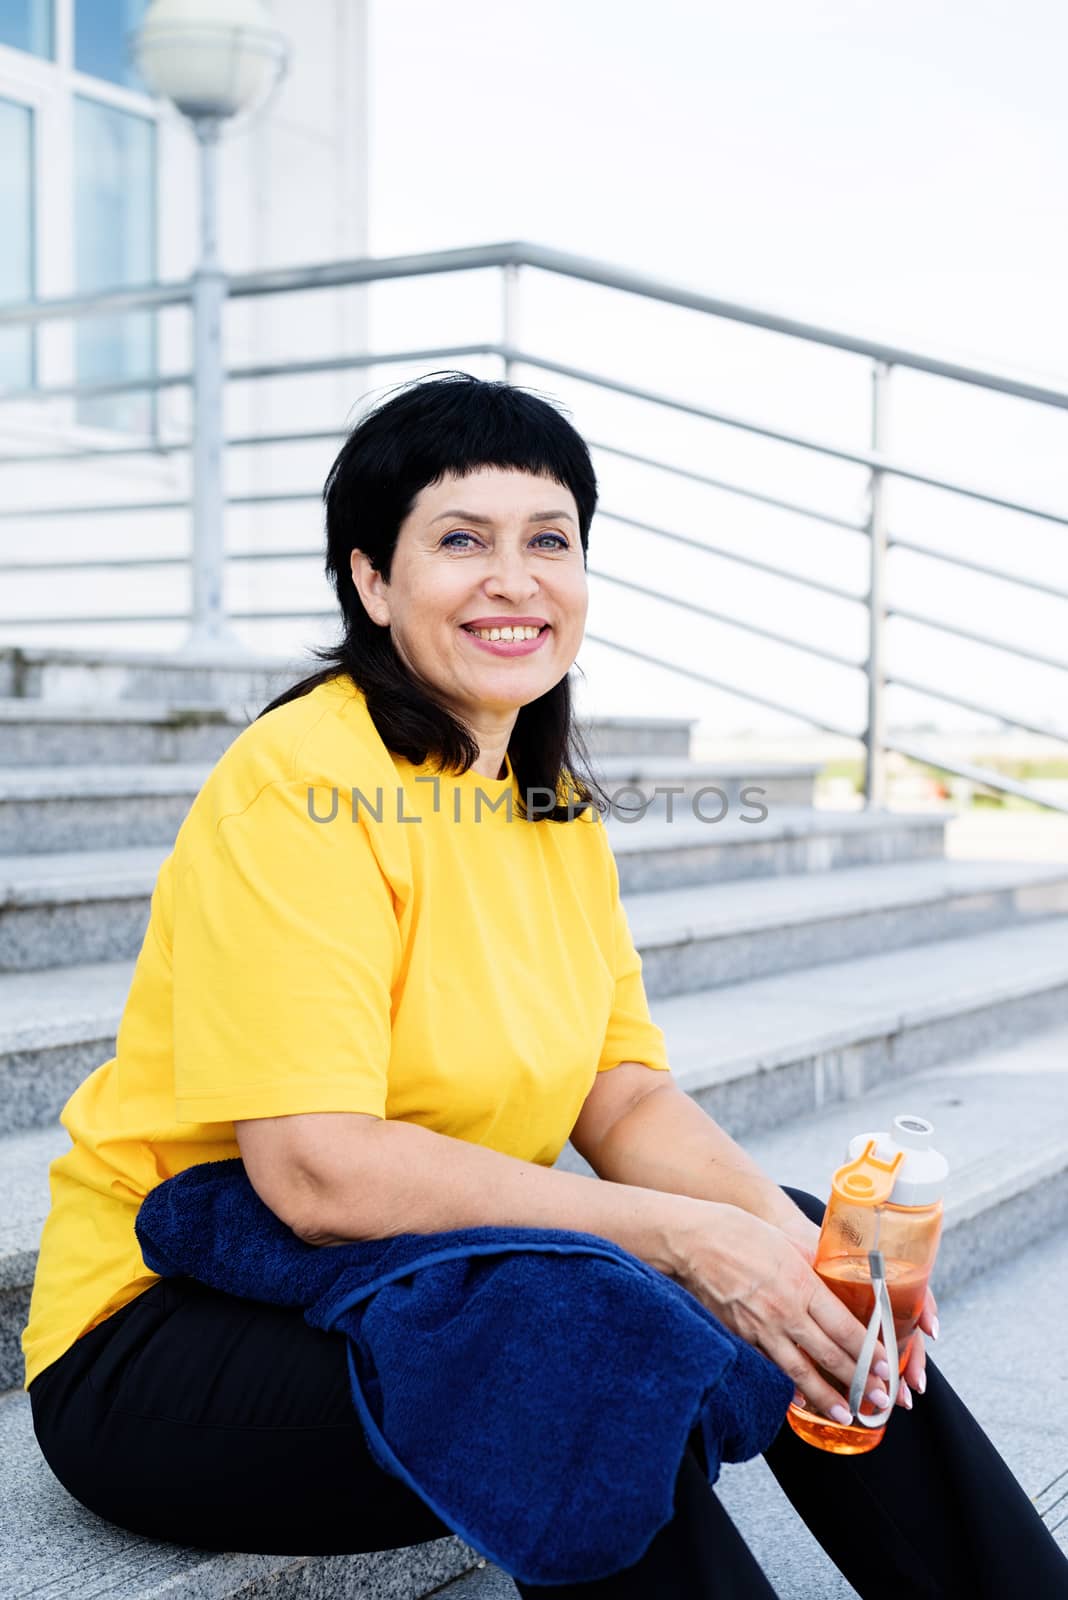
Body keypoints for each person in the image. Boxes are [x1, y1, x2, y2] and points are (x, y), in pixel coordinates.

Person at [24, 373, 1068, 1598]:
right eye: (461, 539)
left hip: (403, 1280)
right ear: (372, 580)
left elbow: (620, 1099)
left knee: (815, 1258)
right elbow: (316, 1172)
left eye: (549, 541)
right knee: (582, 1353)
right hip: (174, 1333)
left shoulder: (543, 798)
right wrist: (687, 1241)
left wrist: (790, 1251)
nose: (514, 579)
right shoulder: (298, 784)